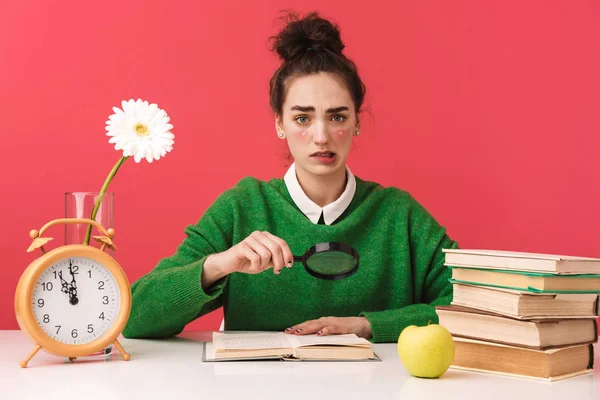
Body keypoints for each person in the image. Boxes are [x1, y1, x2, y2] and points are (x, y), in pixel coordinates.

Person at [122, 11, 458, 343]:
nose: (322, 136)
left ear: (356, 121)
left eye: (337, 116)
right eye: (302, 119)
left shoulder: (399, 215)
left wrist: (367, 326)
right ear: (280, 124)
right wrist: (220, 265)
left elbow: (474, 307)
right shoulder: (242, 207)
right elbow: (134, 316)